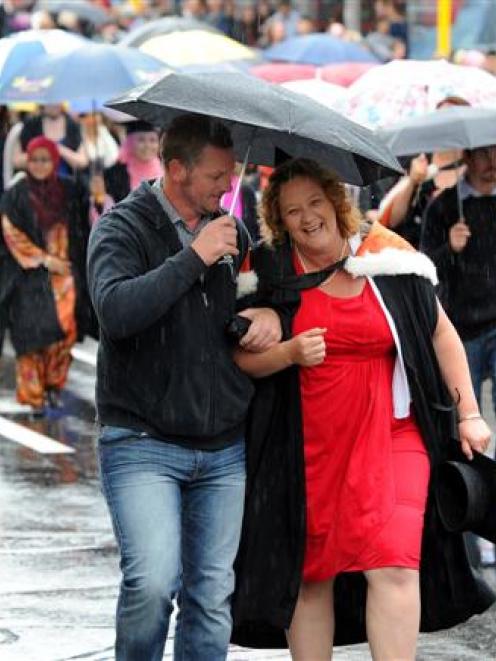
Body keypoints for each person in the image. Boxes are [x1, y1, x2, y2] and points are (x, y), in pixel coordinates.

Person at [230, 157, 494, 659]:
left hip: (395, 435)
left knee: (394, 564)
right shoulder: (267, 270)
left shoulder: (386, 255)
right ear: (277, 219)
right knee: (312, 576)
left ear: (335, 201)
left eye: (315, 202)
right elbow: (241, 360)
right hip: (309, 447)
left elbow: (440, 335)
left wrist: (470, 414)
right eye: (291, 211)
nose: (308, 217)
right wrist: (285, 349)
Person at [87, 113, 282, 660]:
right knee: (151, 586)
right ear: (176, 170)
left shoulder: (232, 230)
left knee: (212, 596)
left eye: (229, 174)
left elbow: (245, 310)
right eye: (216, 175)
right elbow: (116, 311)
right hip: (142, 443)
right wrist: (192, 258)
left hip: (222, 446)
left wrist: (264, 315)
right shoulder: (121, 227)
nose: (228, 186)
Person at [1, 136, 94, 413]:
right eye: (35, 160)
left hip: (65, 276)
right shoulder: (16, 195)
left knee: (64, 334)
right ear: (27, 162)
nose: (40, 165)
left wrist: (98, 197)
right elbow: (11, 234)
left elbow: (87, 221)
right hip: (27, 278)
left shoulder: (70, 190)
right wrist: (44, 260)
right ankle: (33, 397)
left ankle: (54, 385)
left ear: (54, 161)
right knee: (30, 337)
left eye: (46, 160)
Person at [421, 144, 496, 443]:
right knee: (467, 414)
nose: (492, 161)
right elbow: (424, 266)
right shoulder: (444, 207)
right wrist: (449, 248)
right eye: (483, 154)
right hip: (462, 325)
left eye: (495, 152)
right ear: (466, 157)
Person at [377, 96, 470, 248]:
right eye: (439, 118)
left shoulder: (472, 167)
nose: (443, 124)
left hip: (447, 251)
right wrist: (412, 181)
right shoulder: (419, 160)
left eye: (450, 119)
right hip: (411, 251)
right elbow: (393, 220)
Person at [14, 104, 89, 179]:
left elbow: (82, 162)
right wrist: (40, 152)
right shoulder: (31, 124)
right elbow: (16, 161)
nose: (53, 104)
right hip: (36, 184)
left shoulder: (73, 125)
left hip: (67, 184)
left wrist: (57, 149)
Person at [103, 120, 162, 204]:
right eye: (141, 140)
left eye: (152, 140)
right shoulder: (113, 174)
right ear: (130, 143)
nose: (147, 146)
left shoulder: (165, 172)